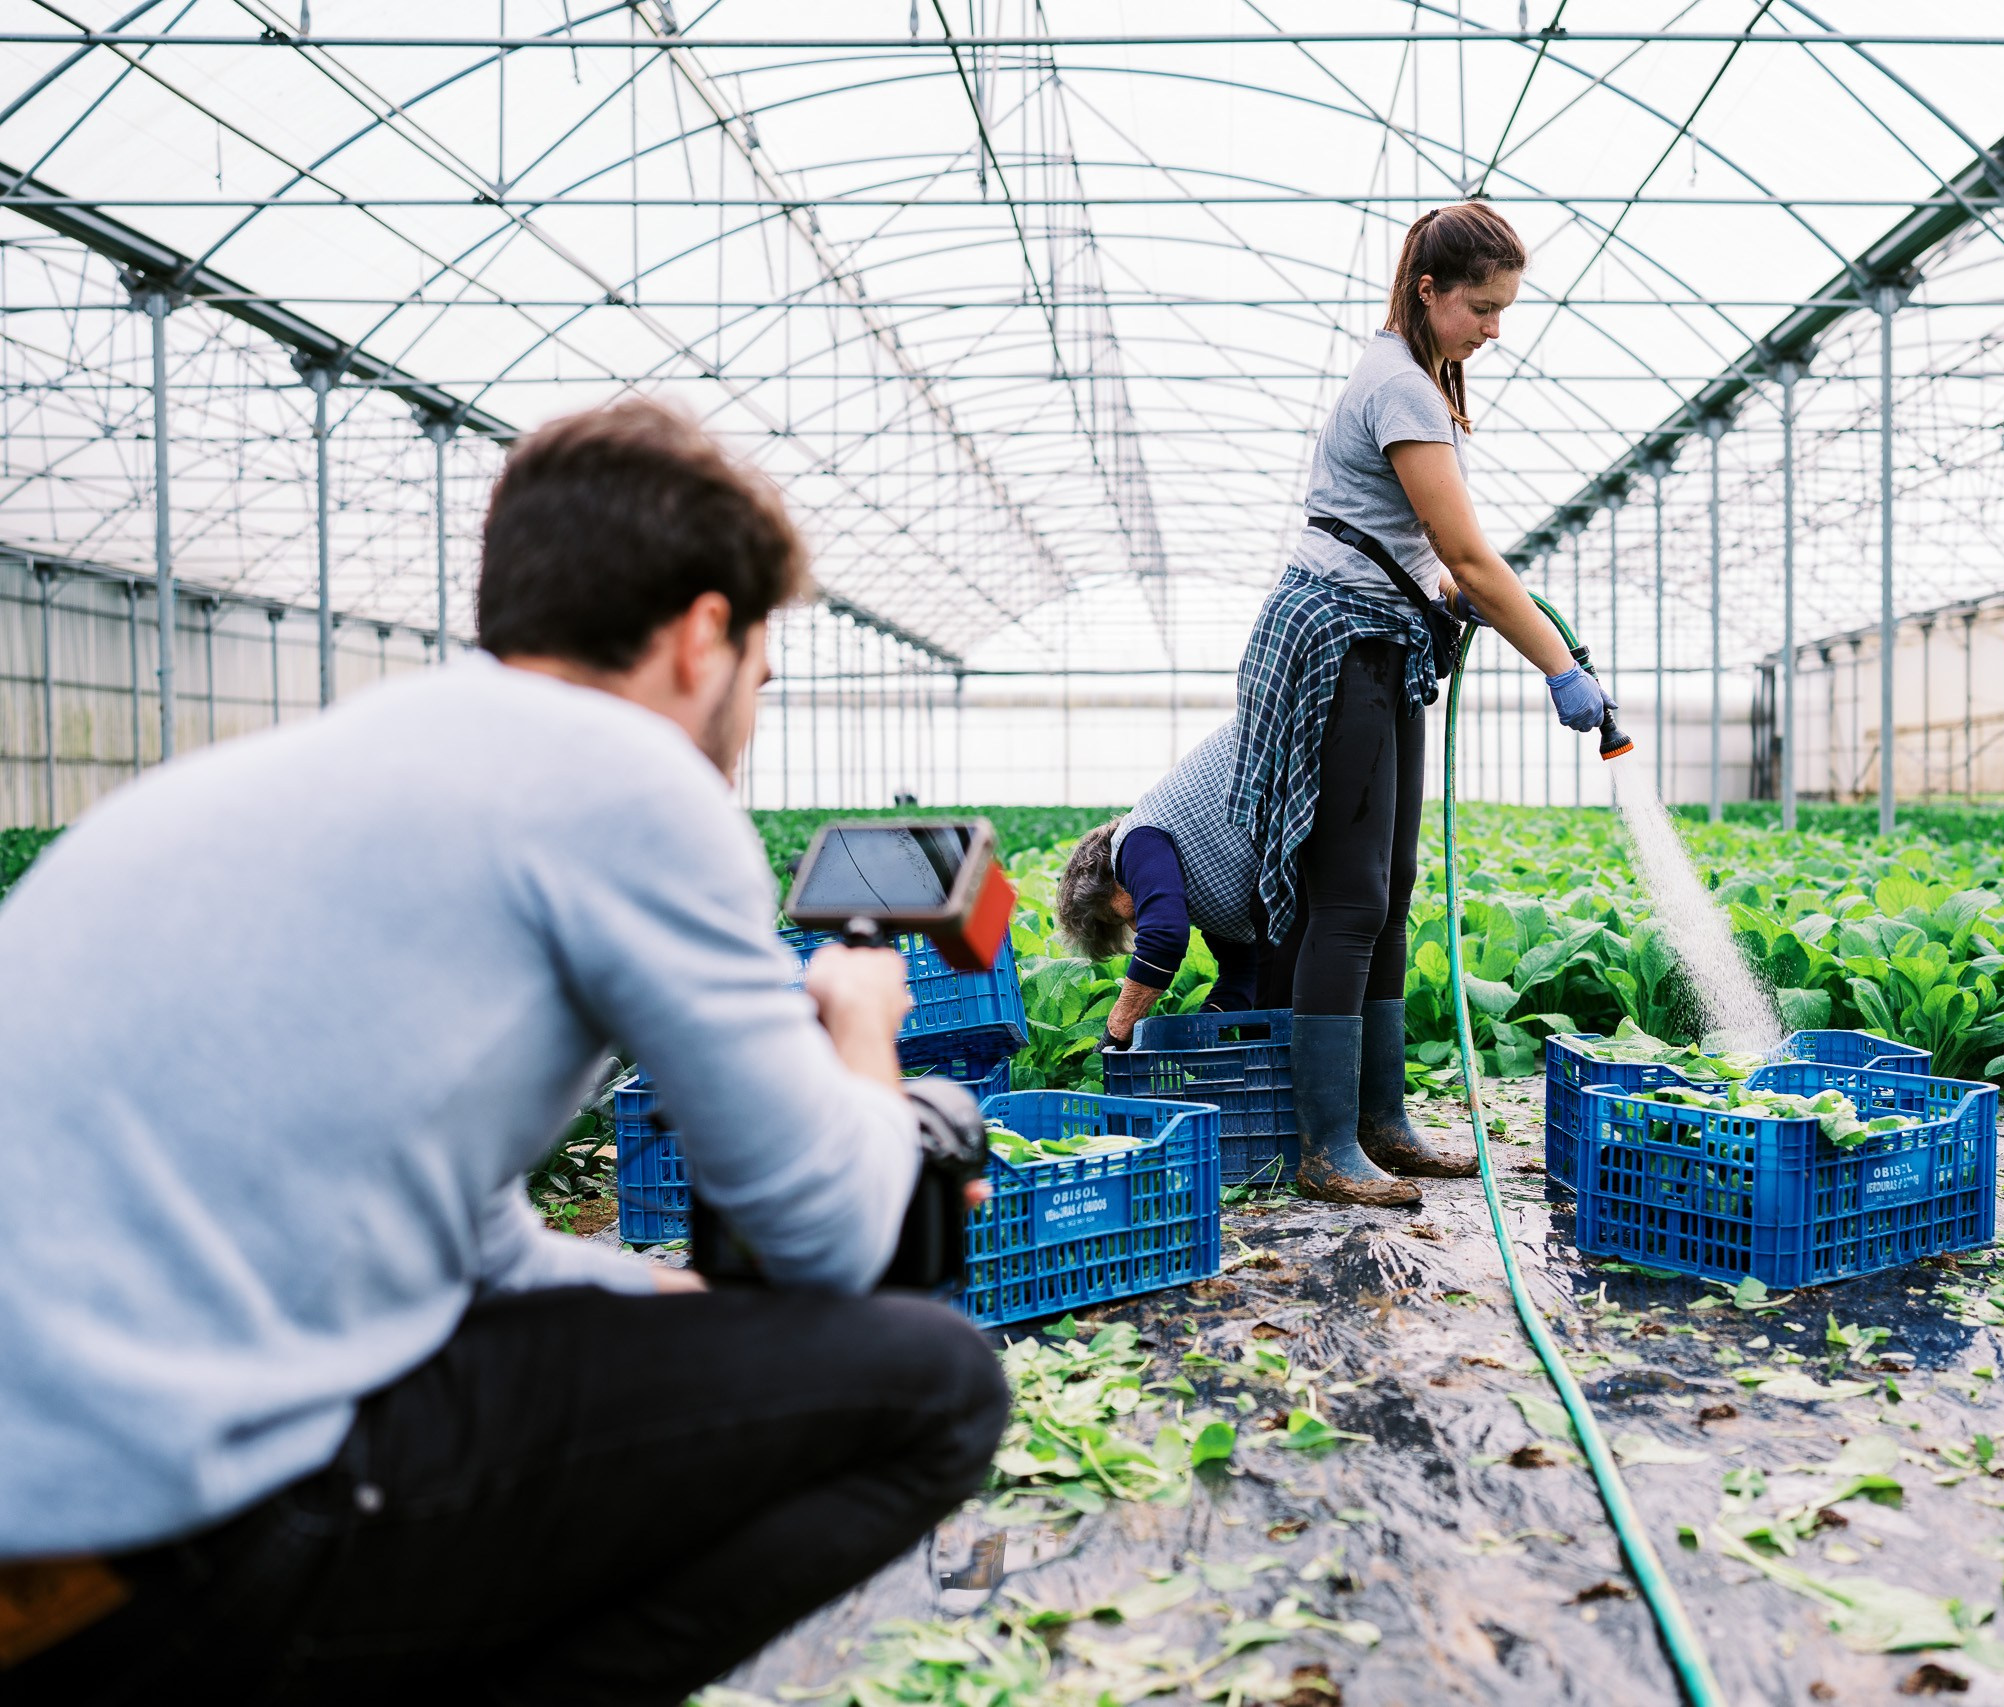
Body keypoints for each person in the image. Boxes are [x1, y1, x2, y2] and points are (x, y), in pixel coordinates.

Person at [0, 400, 1008, 1706]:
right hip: (165, 1546)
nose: (747, 721)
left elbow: (459, 1235)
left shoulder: (319, 763)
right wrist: (867, 1033)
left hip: (47, 1528)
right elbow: (831, 1237)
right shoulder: (633, 775)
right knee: (932, 1383)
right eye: (761, 675)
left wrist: (651, 1299)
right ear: (704, 635)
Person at [1230, 202, 1613, 1207]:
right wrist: (1556, 668)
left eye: (1503, 310)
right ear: (1429, 290)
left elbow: (1421, 553)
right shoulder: (1399, 385)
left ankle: (1382, 1122)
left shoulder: (1418, 379)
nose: (1494, 329)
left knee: (1391, 887)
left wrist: (1457, 600)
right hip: (1337, 644)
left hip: (1384, 637)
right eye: (1481, 309)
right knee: (1349, 896)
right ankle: (1325, 1143)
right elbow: (1469, 557)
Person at [1056, 721, 1262, 1047]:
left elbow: (1164, 938)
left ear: (1111, 875)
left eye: (1119, 915)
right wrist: (1200, 1033)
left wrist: (1115, 1034)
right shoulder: (1206, 891)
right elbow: (1245, 974)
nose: (1136, 926)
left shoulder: (1135, 843)